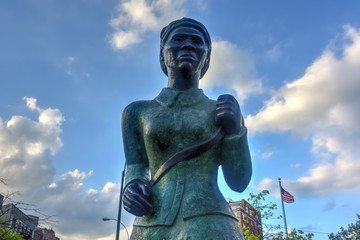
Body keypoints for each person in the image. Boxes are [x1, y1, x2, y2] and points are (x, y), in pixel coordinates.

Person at [121, 17, 252, 240]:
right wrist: (132, 188)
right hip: (152, 224)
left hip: (211, 220)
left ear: (206, 56)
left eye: (197, 42)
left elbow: (238, 182)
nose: (188, 45)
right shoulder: (137, 112)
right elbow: (136, 165)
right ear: (162, 52)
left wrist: (234, 132)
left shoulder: (221, 110)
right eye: (179, 39)